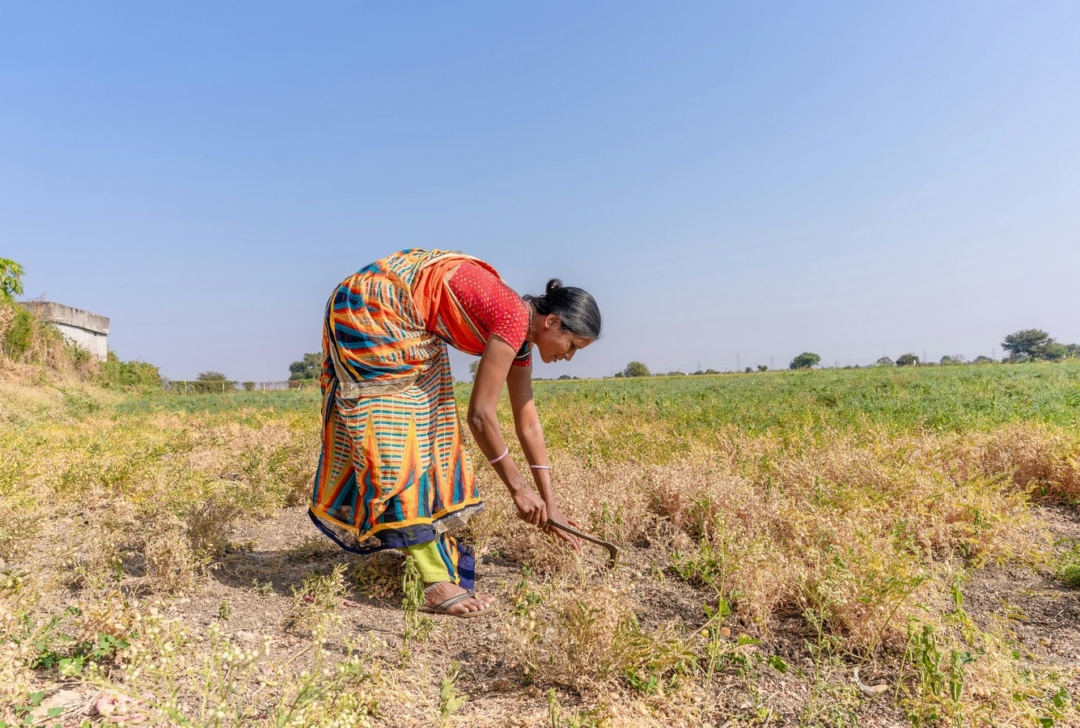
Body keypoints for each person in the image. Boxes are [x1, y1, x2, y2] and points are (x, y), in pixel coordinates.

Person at [309, 249, 601, 617]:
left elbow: (527, 422)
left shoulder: (522, 337)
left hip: (408, 321)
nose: (569, 356)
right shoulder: (513, 318)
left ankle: (425, 548)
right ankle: (433, 580)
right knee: (399, 432)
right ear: (553, 322)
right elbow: (480, 416)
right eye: (572, 345)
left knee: (436, 429)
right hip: (373, 306)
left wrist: (551, 506)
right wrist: (518, 489)